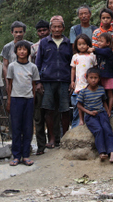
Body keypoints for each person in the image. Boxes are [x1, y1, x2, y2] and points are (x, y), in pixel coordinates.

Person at [35, 15, 73, 149]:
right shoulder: (44, 43)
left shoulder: (68, 43)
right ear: (50, 28)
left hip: (64, 80)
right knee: (49, 110)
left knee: (65, 110)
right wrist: (38, 81)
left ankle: (65, 137)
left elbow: (72, 63)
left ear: (63, 28)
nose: (56, 29)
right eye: (54, 27)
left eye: (59, 27)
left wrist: (71, 81)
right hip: (48, 80)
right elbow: (38, 62)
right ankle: (51, 138)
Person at [6, 41, 39, 166]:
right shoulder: (12, 66)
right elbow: (9, 84)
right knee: (16, 128)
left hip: (28, 100)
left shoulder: (33, 67)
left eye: (24, 49)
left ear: (28, 52)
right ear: (16, 52)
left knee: (28, 128)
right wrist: (9, 101)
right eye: (19, 49)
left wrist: (33, 100)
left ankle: (26, 155)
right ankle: (16, 156)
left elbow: (34, 85)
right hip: (15, 99)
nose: (22, 51)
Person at [31, 20, 60, 155]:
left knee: (53, 111)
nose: (42, 33)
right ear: (37, 32)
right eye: (40, 31)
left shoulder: (55, 43)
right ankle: (41, 146)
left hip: (52, 82)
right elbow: (33, 67)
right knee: (39, 116)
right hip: (38, 84)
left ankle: (55, 140)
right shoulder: (33, 47)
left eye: (44, 30)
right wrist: (37, 83)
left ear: (48, 30)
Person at [77, 68, 113, 163]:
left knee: (107, 129)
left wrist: (108, 111)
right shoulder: (83, 92)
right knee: (98, 130)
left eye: (95, 78)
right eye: (91, 77)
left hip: (101, 113)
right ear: (87, 78)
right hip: (90, 116)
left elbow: (104, 101)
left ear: (99, 79)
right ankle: (102, 152)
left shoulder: (101, 89)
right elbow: (79, 105)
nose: (93, 80)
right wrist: (83, 118)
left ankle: (111, 152)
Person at [70, 34, 97, 127]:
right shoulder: (75, 56)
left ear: (88, 45)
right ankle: (80, 121)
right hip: (79, 83)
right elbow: (73, 69)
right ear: (76, 46)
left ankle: (88, 120)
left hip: (90, 84)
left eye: (84, 44)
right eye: (79, 44)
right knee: (79, 103)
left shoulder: (92, 56)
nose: (82, 46)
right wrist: (72, 81)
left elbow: (95, 68)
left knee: (89, 102)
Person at [1, 21, 31, 86]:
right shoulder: (7, 47)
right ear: (12, 32)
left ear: (24, 32)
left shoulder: (31, 46)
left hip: (28, 78)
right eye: (16, 32)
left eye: (20, 32)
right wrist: (7, 82)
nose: (18, 34)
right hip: (13, 78)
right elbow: (5, 66)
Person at [93, 32, 113, 116]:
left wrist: (94, 49)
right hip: (100, 76)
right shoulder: (99, 52)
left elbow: (102, 51)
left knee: (110, 94)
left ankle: (109, 110)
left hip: (108, 76)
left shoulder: (108, 51)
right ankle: (104, 109)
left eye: (101, 41)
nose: (99, 43)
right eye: (98, 41)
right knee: (102, 95)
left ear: (108, 43)